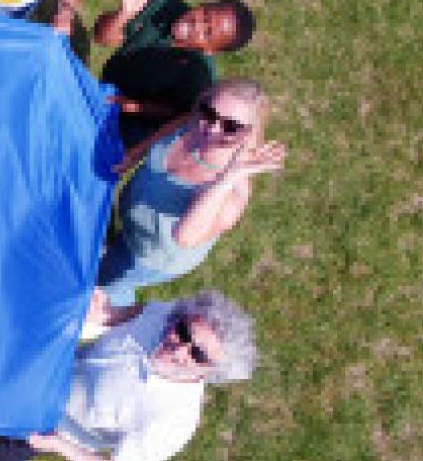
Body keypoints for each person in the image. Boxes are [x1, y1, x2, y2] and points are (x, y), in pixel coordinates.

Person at [0, 290, 257, 461]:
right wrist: (106, 313)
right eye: (184, 331)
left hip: (55, 427)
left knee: (5, 453)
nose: (179, 348)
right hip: (57, 371)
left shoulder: (174, 420)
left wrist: (59, 445)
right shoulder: (164, 315)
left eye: (197, 354)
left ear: (211, 372)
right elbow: (127, 315)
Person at [95, 78, 286, 308]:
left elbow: (186, 237)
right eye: (209, 112)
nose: (212, 128)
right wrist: (136, 153)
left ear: (249, 133)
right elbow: (175, 126)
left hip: (149, 256)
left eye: (231, 126)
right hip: (131, 226)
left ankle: (113, 321)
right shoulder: (196, 122)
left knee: (108, 284)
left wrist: (227, 178)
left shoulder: (232, 193)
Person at [93, 0, 257, 149]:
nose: (197, 25)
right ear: (203, 4)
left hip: (131, 127)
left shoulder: (199, 76)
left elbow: (179, 116)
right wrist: (123, 14)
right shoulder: (165, 6)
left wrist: (132, 106)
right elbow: (101, 37)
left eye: (207, 33)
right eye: (205, 15)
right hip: (105, 88)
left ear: (211, 50)